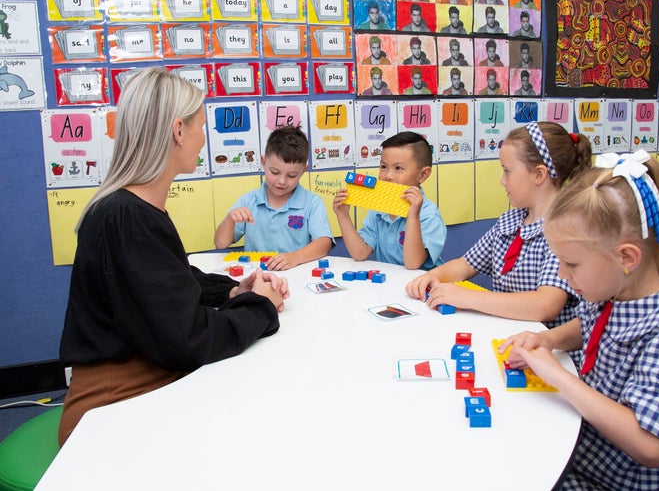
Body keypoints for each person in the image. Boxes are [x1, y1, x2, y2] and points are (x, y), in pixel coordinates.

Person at [58, 67, 289, 445]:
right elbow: (188, 339)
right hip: (114, 405)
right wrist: (259, 306)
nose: (204, 139)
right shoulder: (126, 217)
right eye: (200, 126)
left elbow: (169, 279)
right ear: (178, 131)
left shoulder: (129, 209)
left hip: (140, 378)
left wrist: (232, 293)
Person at [498, 151, 659, 490]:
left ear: (626, 257)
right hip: (579, 451)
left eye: (572, 265)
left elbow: (651, 446)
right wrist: (550, 339)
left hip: (615, 482)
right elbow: (593, 327)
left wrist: (557, 375)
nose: (563, 275)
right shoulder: (613, 287)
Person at [406, 122, 592, 326]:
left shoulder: (564, 230)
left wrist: (466, 297)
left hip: (548, 346)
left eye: (507, 171)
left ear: (539, 174)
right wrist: (434, 276)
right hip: (507, 333)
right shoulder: (510, 221)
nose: (502, 181)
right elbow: (465, 264)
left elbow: (545, 305)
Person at [215, 125, 334, 269]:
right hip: (256, 277)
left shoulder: (312, 203)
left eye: (292, 175)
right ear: (263, 163)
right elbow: (220, 243)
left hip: (296, 274)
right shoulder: (248, 201)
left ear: (304, 171)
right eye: (275, 172)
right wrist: (229, 219)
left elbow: (324, 243)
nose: (282, 181)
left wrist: (294, 257)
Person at [333, 131, 446, 270]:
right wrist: (343, 216)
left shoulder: (429, 215)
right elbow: (360, 253)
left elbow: (412, 264)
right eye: (383, 167)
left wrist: (413, 216)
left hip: (422, 286)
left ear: (423, 175)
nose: (388, 176)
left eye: (398, 168)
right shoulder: (379, 210)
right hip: (390, 285)